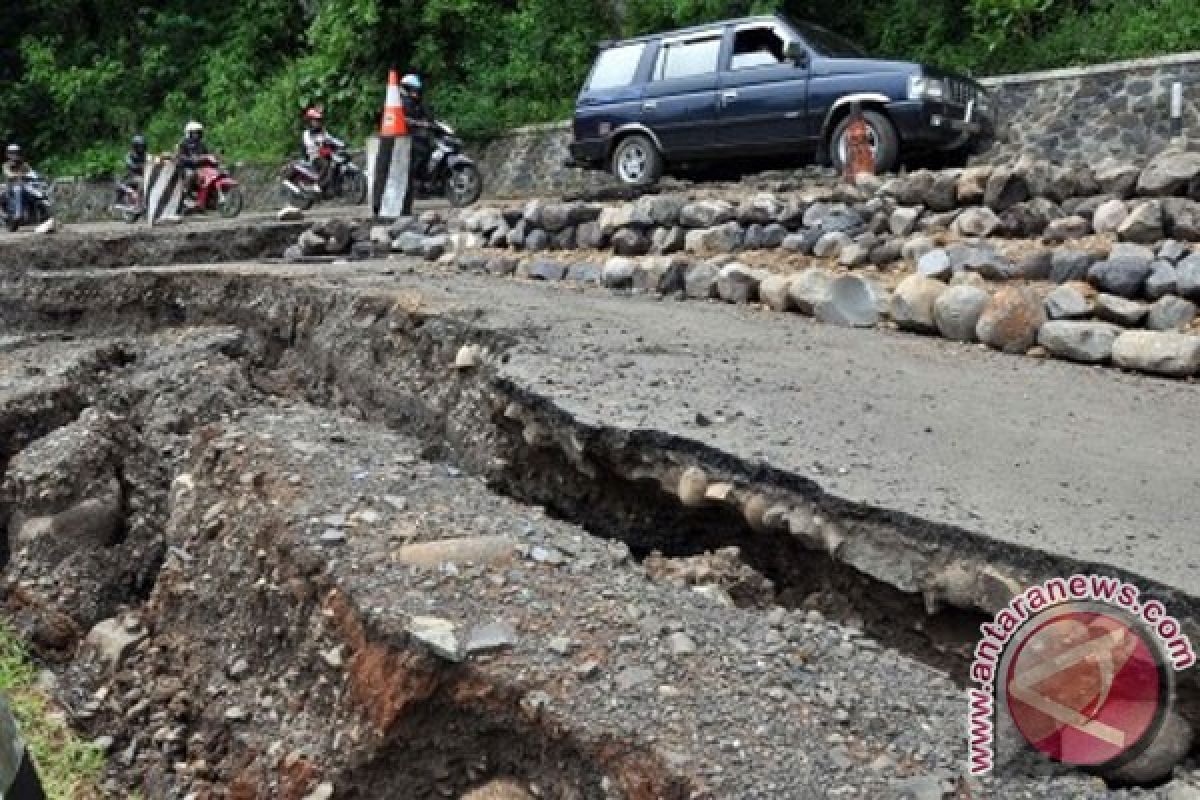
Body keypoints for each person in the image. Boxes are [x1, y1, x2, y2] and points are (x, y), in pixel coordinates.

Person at [301, 107, 344, 193]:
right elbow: (309, 143)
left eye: (318, 120)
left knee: (337, 163)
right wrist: (319, 144)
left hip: (325, 154)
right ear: (310, 121)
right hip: (314, 156)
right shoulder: (306, 133)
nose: (318, 122)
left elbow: (331, 139)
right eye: (315, 120)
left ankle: (334, 184)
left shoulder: (323, 131)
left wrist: (342, 143)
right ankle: (317, 184)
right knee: (326, 163)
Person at [400, 73, 434, 180]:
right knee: (422, 151)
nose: (416, 92)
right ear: (407, 89)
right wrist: (417, 123)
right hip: (405, 135)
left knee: (429, 147)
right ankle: (414, 180)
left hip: (416, 134)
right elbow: (402, 118)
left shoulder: (417, 103)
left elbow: (427, 115)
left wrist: (434, 122)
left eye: (417, 90)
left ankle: (425, 178)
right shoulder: (402, 102)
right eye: (413, 89)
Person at [176, 121, 210, 203]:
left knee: (211, 175)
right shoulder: (184, 143)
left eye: (198, 133)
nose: (197, 135)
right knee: (190, 174)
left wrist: (214, 158)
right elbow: (180, 155)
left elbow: (207, 154)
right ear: (189, 133)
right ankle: (185, 194)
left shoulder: (202, 144)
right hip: (186, 167)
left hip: (199, 167)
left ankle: (206, 199)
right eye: (194, 133)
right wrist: (190, 159)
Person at [2, 145, 34, 218]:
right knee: (18, 189)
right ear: (8, 154)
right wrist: (13, 175)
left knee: (38, 190)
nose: (15, 155)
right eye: (12, 153)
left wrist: (36, 176)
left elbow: (31, 172)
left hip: (25, 187)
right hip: (11, 187)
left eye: (16, 153)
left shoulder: (24, 164)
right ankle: (18, 214)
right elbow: (8, 173)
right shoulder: (6, 165)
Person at [116, 134, 147, 204]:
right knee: (120, 183)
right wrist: (140, 166)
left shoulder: (145, 155)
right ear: (135, 146)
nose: (141, 148)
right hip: (131, 176)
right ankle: (122, 199)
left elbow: (151, 160)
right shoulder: (129, 155)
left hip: (144, 176)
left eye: (142, 146)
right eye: (139, 146)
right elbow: (131, 165)